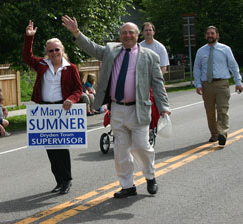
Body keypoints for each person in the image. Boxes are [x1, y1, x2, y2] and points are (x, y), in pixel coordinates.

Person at [62, 15, 170, 198]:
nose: (127, 35)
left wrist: (163, 107)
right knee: (121, 151)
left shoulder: (150, 56)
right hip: (117, 108)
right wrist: (76, 32)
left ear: (137, 36)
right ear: (120, 35)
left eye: (131, 33)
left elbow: (158, 84)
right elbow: (92, 47)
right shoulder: (111, 50)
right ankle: (128, 186)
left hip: (139, 109)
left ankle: (150, 177)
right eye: (124, 33)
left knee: (142, 146)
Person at [23, 20, 82, 195]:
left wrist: (71, 99)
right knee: (50, 149)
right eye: (51, 50)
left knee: (62, 148)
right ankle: (59, 181)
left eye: (57, 49)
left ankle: (67, 180)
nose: (54, 53)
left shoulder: (70, 68)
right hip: (45, 110)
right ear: (47, 53)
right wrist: (29, 39)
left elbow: (78, 89)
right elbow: (27, 58)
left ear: (62, 50)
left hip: (62, 109)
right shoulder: (42, 64)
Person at [193, 26, 243, 145]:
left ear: (217, 35)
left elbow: (233, 66)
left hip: (222, 84)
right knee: (210, 112)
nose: (210, 35)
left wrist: (238, 82)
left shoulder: (225, 49)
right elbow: (197, 69)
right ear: (206, 36)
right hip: (207, 85)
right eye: (208, 33)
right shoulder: (201, 51)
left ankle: (222, 133)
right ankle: (214, 134)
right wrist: (198, 84)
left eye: (212, 33)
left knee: (222, 109)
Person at [140, 22, 170, 140]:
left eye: (150, 30)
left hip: (155, 82)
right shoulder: (139, 47)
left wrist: (157, 80)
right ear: (142, 32)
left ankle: (153, 127)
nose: (148, 32)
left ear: (154, 32)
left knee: (155, 107)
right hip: (141, 82)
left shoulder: (159, 47)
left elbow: (163, 66)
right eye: (146, 30)